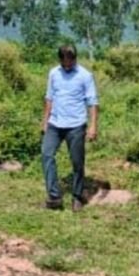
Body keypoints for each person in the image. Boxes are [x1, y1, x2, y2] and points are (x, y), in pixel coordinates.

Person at [40, 45, 98, 212]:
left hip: (76, 125)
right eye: (63, 62)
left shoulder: (85, 76)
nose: (67, 66)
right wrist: (45, 121)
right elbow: (49, 98)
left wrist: (93, 126)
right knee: (46, 155)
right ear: (60, 59)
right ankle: (54, 196)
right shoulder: (53, 73)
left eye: (69, 62)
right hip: (55, 124)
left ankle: (77, 196)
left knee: (77, 162)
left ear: (74, 59)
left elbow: (93, 102)